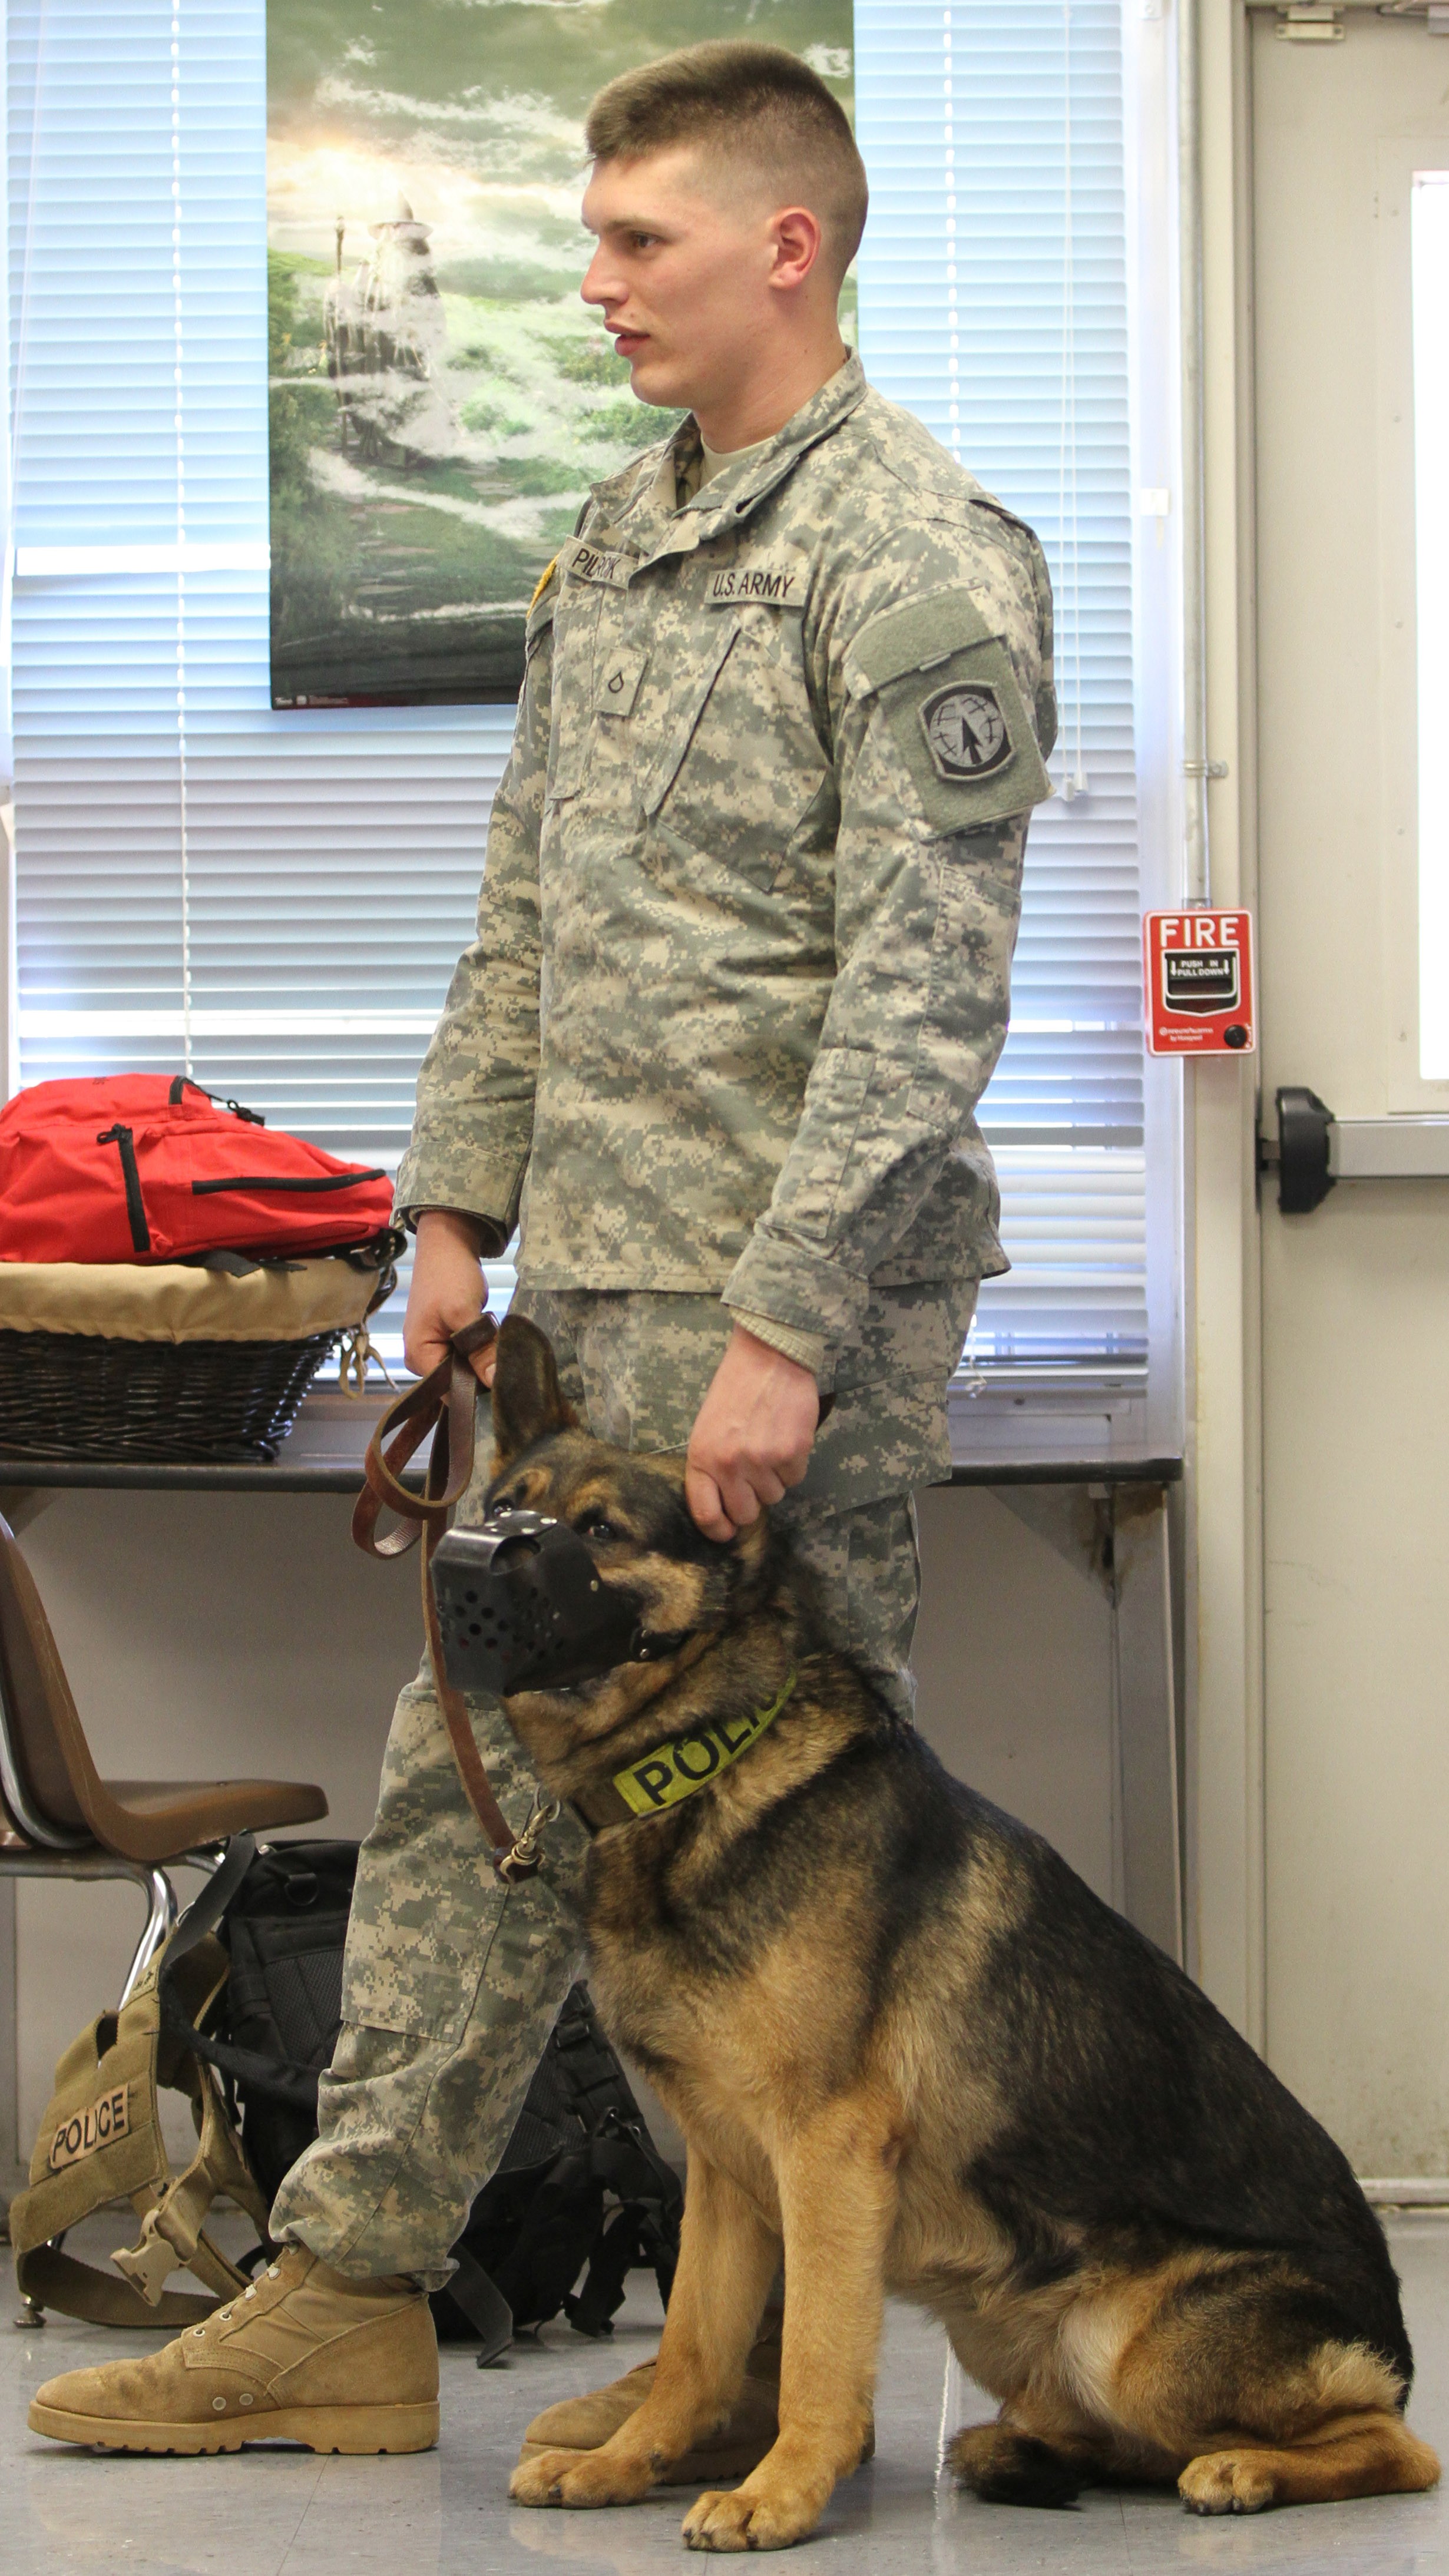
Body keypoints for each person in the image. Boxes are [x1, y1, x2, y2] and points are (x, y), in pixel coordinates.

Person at [28, 38, 1056, 2458]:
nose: (589, 286)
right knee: (487, 1800)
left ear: (788, 247)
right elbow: (526, 909)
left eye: (638, 244)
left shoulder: (916, 553)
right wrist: (454, 1208)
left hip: (780, 1343)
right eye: (590, 239)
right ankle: (359, 2290)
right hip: (583, 1322)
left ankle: (737, 2378)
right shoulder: (616, 538)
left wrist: (788, 1332)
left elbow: (929, 1001)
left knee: (777, 1894)